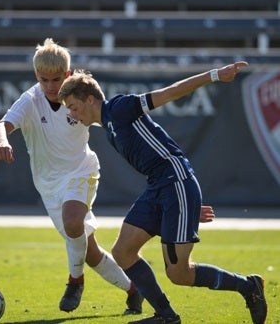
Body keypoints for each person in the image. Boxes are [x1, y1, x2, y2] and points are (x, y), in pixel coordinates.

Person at [57, 62, 267, 324]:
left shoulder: (119, 108)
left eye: (74, 108)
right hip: (161, 188)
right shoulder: (108, 123)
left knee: (179, 273)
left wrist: (215, 75)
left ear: (90, 99)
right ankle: (166, 316)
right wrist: (185, 208)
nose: (73, 116)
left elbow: (171, 92)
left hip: (174, 181)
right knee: (123, 252)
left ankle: (248, 286)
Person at [0, 38, 144, 315]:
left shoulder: (78, 99)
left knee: (73, 223)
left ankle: (75, 281)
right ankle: (134, 289)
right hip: (48, 185)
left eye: (56, 79)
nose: (50, 86)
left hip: (81, 171)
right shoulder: (30, 99)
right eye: (43, 79)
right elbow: (1, 126)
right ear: (36, 76)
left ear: (68, 75)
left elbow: (109, 119)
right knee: (90, 252)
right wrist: (2, 141)